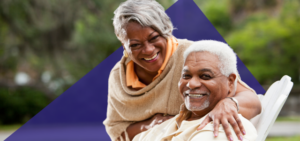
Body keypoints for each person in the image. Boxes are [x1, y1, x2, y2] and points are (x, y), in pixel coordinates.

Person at [103, 0, 261, 141]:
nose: (148, 50)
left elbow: (252, 100)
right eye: (135, 45)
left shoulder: (194, 57)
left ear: (167, 30)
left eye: (154, 38)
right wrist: (152, 124)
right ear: (124, 45)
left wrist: (230, 103)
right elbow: (117, 130)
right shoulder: (119, 76)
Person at [132, 40, 258, 141]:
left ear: (230, 82)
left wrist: (230, 102)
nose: (191, 84)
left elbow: (254, 102)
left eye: (206, 76)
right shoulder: (170, 123)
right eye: (186, 76)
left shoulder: (223, 127)